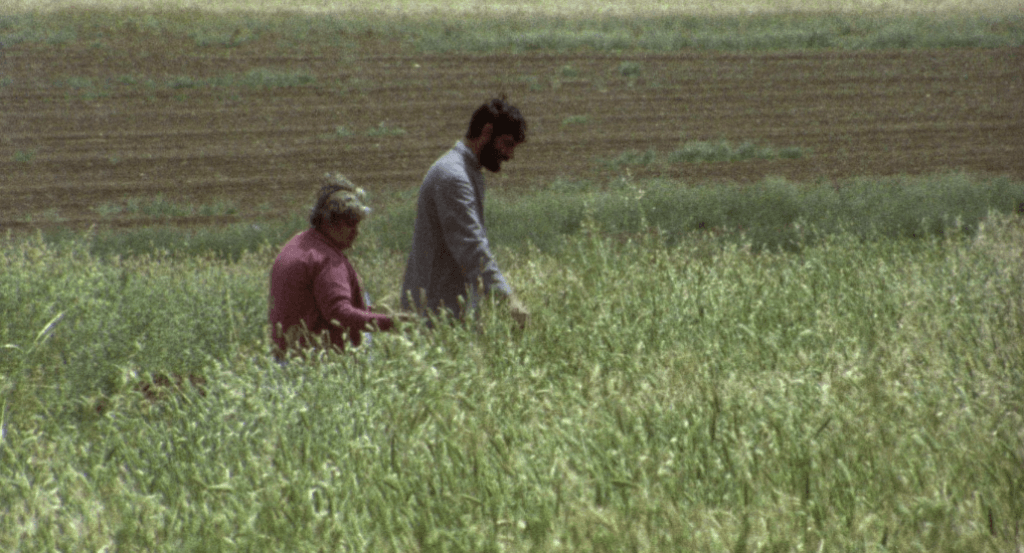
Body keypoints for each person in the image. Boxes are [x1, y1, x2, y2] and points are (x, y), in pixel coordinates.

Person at [400, 98, 530, 327]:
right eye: (507, 144)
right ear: (487, 132)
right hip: (434, 313)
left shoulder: (467, 172)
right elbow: (472, 247)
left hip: (450, 308)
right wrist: (509, 300)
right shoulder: (453, 176)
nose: (510, 155)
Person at [269, 173, 402, 357]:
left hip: (288, 358)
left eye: (357, 223)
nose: (356, 231)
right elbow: (340, 313)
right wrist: (393, 323)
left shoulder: (298, 244)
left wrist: (372, 313)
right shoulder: (327, 260)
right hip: (321, 365)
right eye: (349, 223)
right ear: (328, 221)